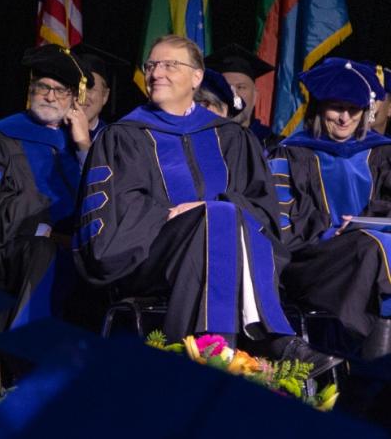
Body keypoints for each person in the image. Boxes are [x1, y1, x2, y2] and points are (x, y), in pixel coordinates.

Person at [75, 35, 331, 369]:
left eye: (170, 65)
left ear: (197, 78)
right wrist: (169, 214)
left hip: (223, 254)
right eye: (151, 65)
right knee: (219, 216)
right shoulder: (123, 136)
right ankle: (268, 337)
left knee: (223, 215)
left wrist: (206, 211)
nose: (156, 73)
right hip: (148, 258)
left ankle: (215, 350)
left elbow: (263, 212)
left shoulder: (231, 137)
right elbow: (113, 216)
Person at [0, 45, 116, 330]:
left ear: (74, 98)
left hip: (75, 253)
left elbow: (104, 203)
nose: (50, 96)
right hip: (8, 256)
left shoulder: (80, 143)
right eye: (43, 87)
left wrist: (83, 147)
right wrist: (48, 232)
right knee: (44, 252)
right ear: (30, 89)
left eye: (61, 91)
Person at [269, 58, 391, 358]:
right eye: (336, 107)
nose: (344, 118)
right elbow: (279, 223)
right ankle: (355, 352)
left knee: (375, 243)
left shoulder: (382, 152)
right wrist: (330, 232)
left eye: (354, 110)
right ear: (319, 108)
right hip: (313, 260)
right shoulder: (291, 153)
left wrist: (369, 221)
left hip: (368, 252)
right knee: (374, 246)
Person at [205, 44, 278, 151]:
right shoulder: (202, 141)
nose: (234, 94)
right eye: (227, 86)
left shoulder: (274, 147)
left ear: (255, 96)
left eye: (241, 87)